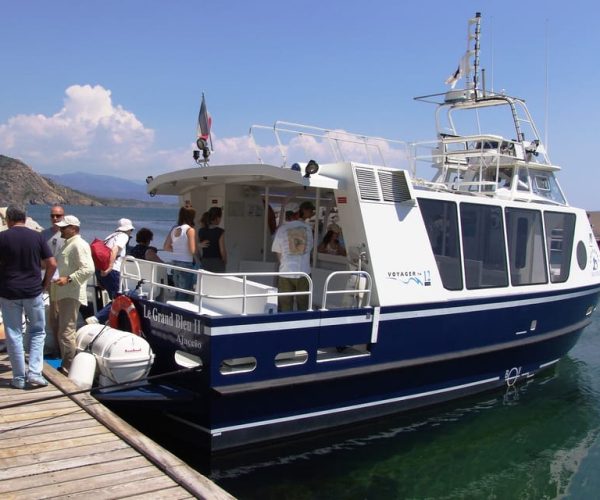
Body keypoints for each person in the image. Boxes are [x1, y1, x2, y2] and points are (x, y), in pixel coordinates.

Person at [0, 206, 57, 389]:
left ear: (8, 220)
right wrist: (45, 285)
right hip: (33, 291)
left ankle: (18, 378)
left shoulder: (2, 237)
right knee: (38, 331)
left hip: (8, 292)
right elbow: (52, 264)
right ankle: (34, 373)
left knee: (14, 334)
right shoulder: (37, 237)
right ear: (24, 219)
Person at [51, 215, 94, 373]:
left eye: (64, 227)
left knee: (66, 331)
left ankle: (69, 367)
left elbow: (88, 269)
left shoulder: (79, 245)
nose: (61, 229)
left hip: (70, 292)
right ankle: (67, 363)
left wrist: (69, 279)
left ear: (74, 229)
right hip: (62, 292)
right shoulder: (68, 244)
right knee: (63, 330)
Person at [87, 218, 134, 323]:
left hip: (99, 270)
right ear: (128, 229)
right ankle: (97, 318)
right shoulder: (123, 236)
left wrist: (98, 277)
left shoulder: (110, 236)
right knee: (121, 297)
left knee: (114, 297)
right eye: (131, 230)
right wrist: (110, 267)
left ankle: (109, 320)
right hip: (112, 271)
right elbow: (115, 250)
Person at [271, 201, 315, 312]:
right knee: (304, 306)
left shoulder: (281, 230)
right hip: (304, 272)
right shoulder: (308, 229)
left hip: (286, 272)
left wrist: (285, 263)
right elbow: (309, 249)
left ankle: (285, 327)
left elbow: (278, 252)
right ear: (298, 213)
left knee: (285, 306)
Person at [40, 204, 65, 356]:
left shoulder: (68, 235)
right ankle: (57, 347)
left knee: (63, 315)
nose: (55, 218)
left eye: (58, 216)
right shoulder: (43, 235)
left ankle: (63, 349)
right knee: (53, 315)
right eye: (52, 215)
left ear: (63, 216)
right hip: (48, 278)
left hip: (64, 279)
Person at [164, 207, 197, 300]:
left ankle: (174, 311)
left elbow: (166, 247)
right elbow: (192, 250)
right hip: (186, 264)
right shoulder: (190, 230)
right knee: (185, 292)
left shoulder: (174, 229)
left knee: (178, 291)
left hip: (175, 263)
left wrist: (178, 250)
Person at [198, 207, 227, 273]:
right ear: (217, 218)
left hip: (205, 261)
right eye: (220, 217)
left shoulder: (201, 231)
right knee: (218, 282)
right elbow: (222, 250)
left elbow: (198, 246)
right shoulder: (220, 231)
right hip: (217, 261)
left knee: (205, 282)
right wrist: (225, 260)